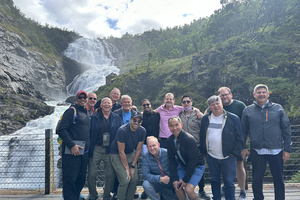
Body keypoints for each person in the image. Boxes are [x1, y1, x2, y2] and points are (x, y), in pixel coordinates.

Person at [241, 84, 292, 200]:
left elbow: (286, 129)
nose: (261, 94)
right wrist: (243, 147)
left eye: (264, 92)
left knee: (278, 179)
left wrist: (287, 149)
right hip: (257, 150)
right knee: (256, 179)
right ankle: (258, 198)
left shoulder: (278, 108)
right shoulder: (247, 110)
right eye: (258, 92)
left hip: (277, 150)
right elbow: (243, 131)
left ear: (268, 94)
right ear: (254, 95)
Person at [205, 87, 247, 200]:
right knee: (215, 181)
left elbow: (239, 137)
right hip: (212, 156)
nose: (215, 106)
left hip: (228, 156)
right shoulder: (206, 118)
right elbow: (202, 135)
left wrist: (234, 153)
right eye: (212, 104)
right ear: (209, 107)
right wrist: (205, 152)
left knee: (229, 182)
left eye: (217, 103)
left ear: (221, 104)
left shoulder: (233, 118)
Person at [57, 90, 90, 200]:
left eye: (84, 97)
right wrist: (72, 145)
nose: (82, 99)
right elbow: (61, 129)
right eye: (80, 97)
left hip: (83, 153)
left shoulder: (86, 112)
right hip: (72, 153)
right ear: (76, 99)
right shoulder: (71, 111)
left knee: (80, 179)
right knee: (70, 180)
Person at [87, 97, 122, 200]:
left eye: (109, 103)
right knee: (92, 174)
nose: (107, 104)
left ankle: (106, 195)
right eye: (104, 103)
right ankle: (93, 195)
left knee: (110, 175)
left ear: (111, 105)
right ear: (101, 105)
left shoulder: (117, 118)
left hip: (110, 149)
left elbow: (121, 133)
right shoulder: (94, 117)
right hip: (96, 148)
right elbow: (87, 132)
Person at [167, 116, 205, 200]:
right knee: (177, 186)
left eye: (177, 125)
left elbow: (193, 161)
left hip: (197, 166)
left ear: (181, 125)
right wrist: (175, 179)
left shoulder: (189, 139)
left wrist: (185, 179)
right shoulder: (169, 140)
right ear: (168, 127)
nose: (174, 128)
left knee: (189, 189)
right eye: (171, 126)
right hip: (183, 165)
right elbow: (171, 159)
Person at [179, 95, 209, 200]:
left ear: (191, 102)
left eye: (188, 101)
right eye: (184, 102)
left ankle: (201, 190)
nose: (186, 103)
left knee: (199, 169)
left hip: (197, 146)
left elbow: (204, 130)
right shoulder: (179, 114)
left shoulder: (198, 115)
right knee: (186, 166)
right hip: (183, 147)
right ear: (181, 103)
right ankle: (188, 189)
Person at [110, 112, 146, 200]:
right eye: (134, 120)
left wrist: (132, 167)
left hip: (130, 154)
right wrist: (127, 168)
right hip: (117, 154)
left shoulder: (142, 131)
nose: (136, 122)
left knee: (134, 179)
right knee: (125, 180)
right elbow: (121, 152)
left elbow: (138, 150)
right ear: (130, 120)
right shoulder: (122, 130)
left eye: (139, 121)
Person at [140, 99, 160, 199]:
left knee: (158, 164)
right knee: (147, 165)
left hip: (156, 143)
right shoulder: (140, 116)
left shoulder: (157, 115)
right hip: (145, 144)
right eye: (144, 105)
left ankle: (158, 187)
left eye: (148, 104)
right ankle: (146, 190)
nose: (146, 106)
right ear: (142, 107)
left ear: (151, 105)